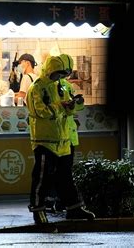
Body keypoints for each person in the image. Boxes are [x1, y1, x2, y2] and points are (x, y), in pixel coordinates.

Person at [26, 55, 95, 224]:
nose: (61, 78)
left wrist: (75, 104)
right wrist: (61, 107)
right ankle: (38, 210)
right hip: (45, 142)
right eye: (58, 74)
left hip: (65, 141)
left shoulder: (64, 85)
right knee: (41, 178)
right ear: (50, 70)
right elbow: (40, 111)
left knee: (65, 177)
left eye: (64, 74)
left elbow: (73, 109)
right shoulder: (37, 88)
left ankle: (74, 209)